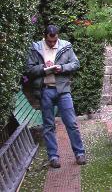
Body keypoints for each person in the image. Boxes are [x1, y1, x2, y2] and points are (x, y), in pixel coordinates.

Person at [26, 25, 86, 168]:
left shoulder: (65, 46)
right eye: (49, 41)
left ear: (57, 36)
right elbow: (29, 69)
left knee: (71, 123)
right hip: (45, 90)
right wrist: (43, 68)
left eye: (54, 41)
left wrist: (62, 67)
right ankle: (53, 157)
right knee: (48, 126)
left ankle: (79, 154)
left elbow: (76, 64)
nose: (52, 44)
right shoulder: (36, 48)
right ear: (44, 36)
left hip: (63, 91)